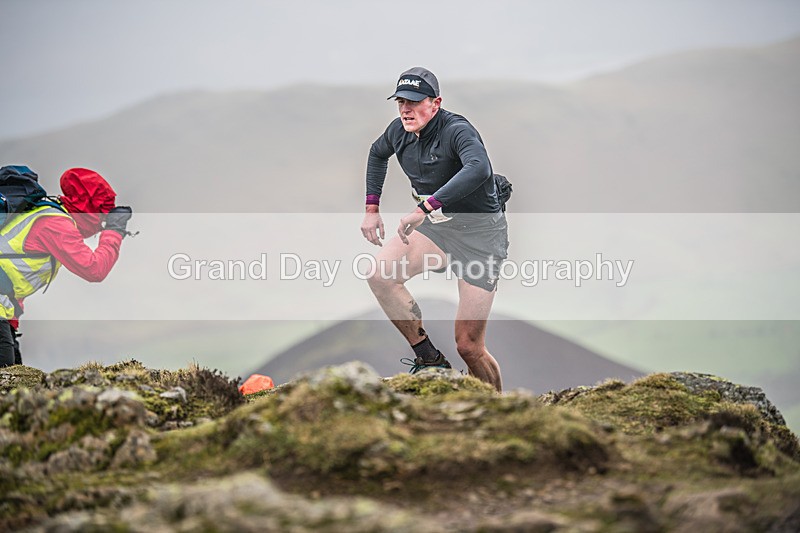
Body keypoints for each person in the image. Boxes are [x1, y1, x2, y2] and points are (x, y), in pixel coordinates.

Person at [361, 67, 509, 392]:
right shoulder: (398, 131)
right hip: (439, 232)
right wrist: (372, 208)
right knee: (379, 274)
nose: (405, 109)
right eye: (401, 101)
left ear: (436, 103)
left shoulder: (456, 130)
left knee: (469, 347)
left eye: (414, 102)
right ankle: (429, 360)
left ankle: (499, 410)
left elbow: (479, 168)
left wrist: (424, 207)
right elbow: (377, 153)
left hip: (480, 238)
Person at [0, 167, 133, 367]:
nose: (101, 224)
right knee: (7, 382)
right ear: (89, 209)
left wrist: (10, 323)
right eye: (102, 216)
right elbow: (94, 269)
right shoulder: (55, 224)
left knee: (14, 379)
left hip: (4, 311)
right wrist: (115, 231)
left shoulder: (46, 212)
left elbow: (10, 273)